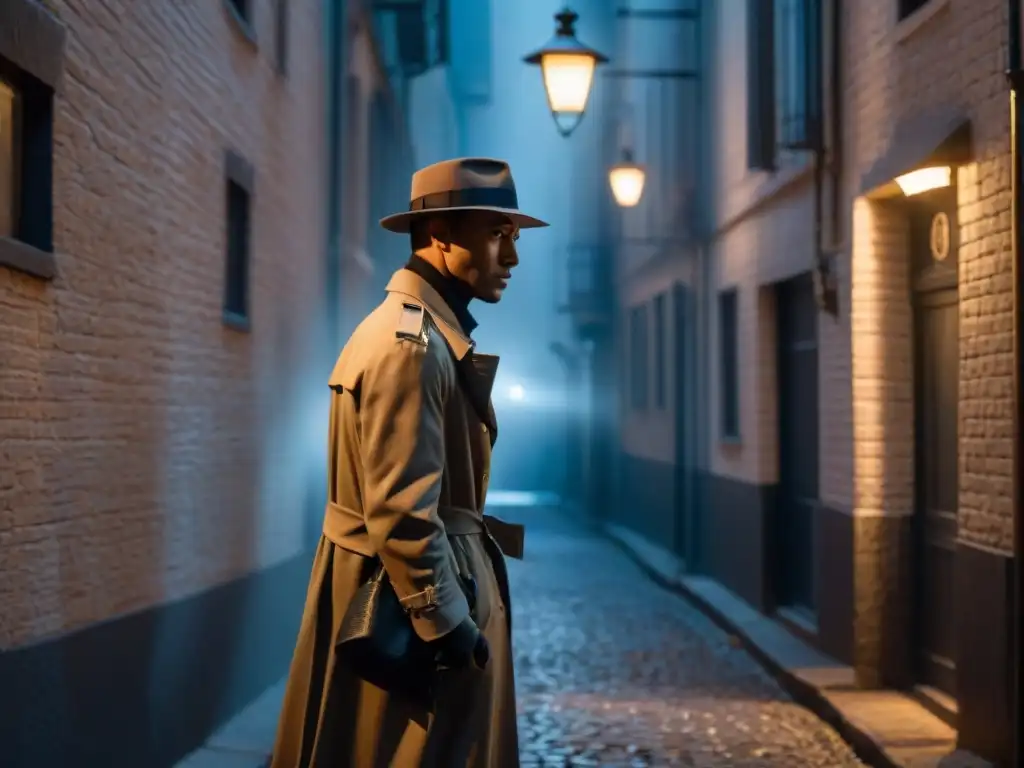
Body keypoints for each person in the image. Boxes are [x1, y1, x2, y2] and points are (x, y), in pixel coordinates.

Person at [270, 157, 548, 767]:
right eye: (498, 234)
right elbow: (401, 511)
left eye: (515, 238)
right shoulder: (411, 347)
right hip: (407, 613)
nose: (512, 257)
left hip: (414, 595)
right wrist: (450, 629)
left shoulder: (425, 335)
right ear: (443, 235)